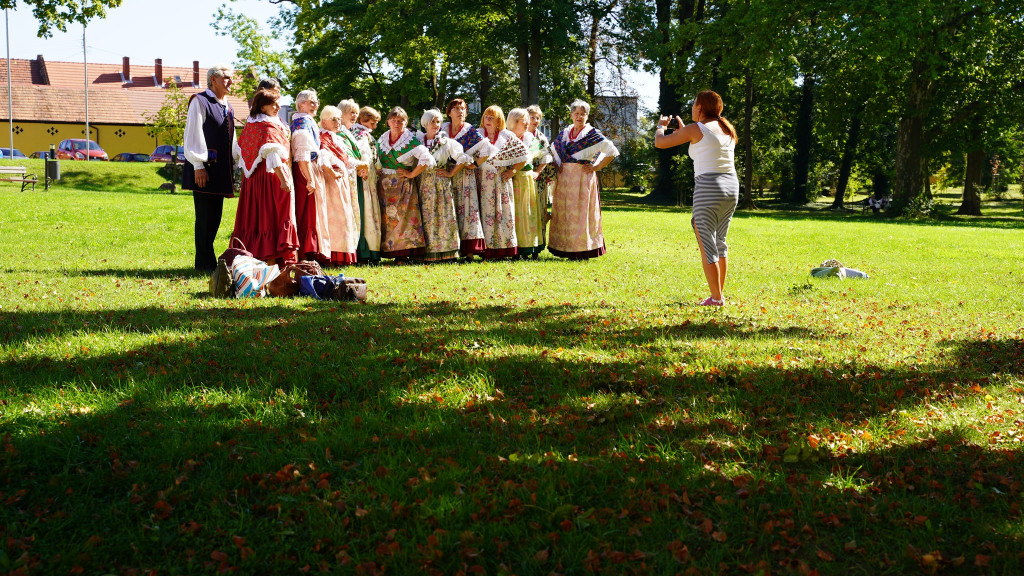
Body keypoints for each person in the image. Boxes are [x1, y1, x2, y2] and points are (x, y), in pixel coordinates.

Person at [654, 89, 739, 306]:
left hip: (709, 187)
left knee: (706, 243)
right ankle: (718, 294)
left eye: (694, 104)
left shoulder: (696, 129)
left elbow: (660, 143)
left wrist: (661, 127)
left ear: (701, 107)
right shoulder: (726, 128)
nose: (692, 107)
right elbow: (704, 146)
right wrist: (685, 130)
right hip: (731, 187)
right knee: (720, 243)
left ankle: (717, 299)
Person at [182, 64, 240, 272]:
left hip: (221, 170)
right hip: (205, 169)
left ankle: (209, 260)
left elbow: (231, 137)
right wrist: (198, 165)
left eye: (231, 77)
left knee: (215, 216)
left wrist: (237, 160)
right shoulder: (200, 101)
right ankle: (204, 263)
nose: (230, 81)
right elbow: (193, 134)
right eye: (226, 77)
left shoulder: (228, 106)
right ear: (213, 79)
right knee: (205, 216)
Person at [232, 88, 298, 265]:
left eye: (277, 103)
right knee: (271, 215)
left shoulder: (252, 124)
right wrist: (283, 179)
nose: (277, 107)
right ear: (262, 107)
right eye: (272, 104)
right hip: (270, 176)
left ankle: (256, 255)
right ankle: (272, 257)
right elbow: (272, 154)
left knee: (256, 216)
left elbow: (240, 154)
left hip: (253, 179)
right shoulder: (267, 126)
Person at [548, 99, 618, 260]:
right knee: (564, 213)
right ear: (571, 115)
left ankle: (582, 250)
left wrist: (597, 167)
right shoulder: (565, 134)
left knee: (580, 213)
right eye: (576, 113)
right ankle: (563, 248)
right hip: (564, 179)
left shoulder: (592, 134)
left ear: (587, 116)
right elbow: (553, 151)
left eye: (583, 114)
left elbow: (611, 151)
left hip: (582, 178)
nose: (579, 117)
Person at [375, 106, 434, 260]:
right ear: (388, 122)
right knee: (387, 219)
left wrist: (412, 173)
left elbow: (426, 158)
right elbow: (378, 159)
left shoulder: (410, 140)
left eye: (400, 121)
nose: (397, 123)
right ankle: (388, 250)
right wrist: (378, 170)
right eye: (394, 120)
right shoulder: (382, 138)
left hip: (402, 184)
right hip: (384, 185)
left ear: (406, 122)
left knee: (402, 218)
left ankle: (402, 254)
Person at [416, 108, 469, 263]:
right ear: (425, 123)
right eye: (432, 122)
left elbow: (463, 158)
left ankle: (446, 252)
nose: (436, 125)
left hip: (440, 183)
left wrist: (451, 173)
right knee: (426, 217)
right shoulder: (418, 141)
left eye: (438, 121)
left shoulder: (446, 142)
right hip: (423, 182)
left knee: (442, 215)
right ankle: (426, 252)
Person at [441, 99, 490, 259]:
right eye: (455, 108)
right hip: (445, 173)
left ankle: (469, 250)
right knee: (449, 209)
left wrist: (475, 164)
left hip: (464, 175)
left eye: (462, 109)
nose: (459, 111)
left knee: (467, 210)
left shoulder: (469, 131)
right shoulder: (443, 130)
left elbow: (487, 149)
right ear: (449, 113)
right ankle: (450, 248)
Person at [477, 105, 527, 259]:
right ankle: (485, 249)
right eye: (486, 116)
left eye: (492, 117)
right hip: (481, 179)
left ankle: (504, 248)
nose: (488, 120)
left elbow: (524, 154)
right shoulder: (477, 134)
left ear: (499, 120)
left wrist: (512, 171)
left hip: (500, 181)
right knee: (484, 213)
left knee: (503, 214)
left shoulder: (506, 136)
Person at [336, 100, 381, 263]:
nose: (354, 116)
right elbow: (364, 154)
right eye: (351, 112)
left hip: (358, 174)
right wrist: (365, 169)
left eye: (356, 112)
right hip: (360, 176)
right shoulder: (360, 134)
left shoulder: (351, 132)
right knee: (363, 211)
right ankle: (365, 249)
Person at [291, 89, 331, 263]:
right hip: (304, 170)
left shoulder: (307, 122)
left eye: (316, 102)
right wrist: (310, 178)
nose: (316, 105)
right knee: (307, 211)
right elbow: (301, 155)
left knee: (311, 210)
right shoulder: (302, 124)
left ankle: (311, 250)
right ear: (301, 105)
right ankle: (306, 251)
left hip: (309, 167)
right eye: (312, 102)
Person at [319, 105, 361, 265]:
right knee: (335, 217)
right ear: (324, 122)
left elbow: (345, 159)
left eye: (338, 119)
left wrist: (360, 165)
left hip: (339, 182)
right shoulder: (324, 137)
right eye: (333, 119)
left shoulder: (334, 137)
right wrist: (333, 173)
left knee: (342, 216)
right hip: (332, 183)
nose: (338, 122)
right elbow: (323, 159)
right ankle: (335, 255)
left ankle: (343, 254)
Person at [507, 108, 545, 259]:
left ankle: (529, 247)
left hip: (526, 179)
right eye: (524, 120)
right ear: (515, 121)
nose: (527, 123)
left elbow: (544, 156)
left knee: (527, 213)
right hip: (510, 180)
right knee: (512, 213)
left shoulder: (529, 138)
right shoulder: (506, 137)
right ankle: (513, 248)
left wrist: (537, 172)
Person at [526, 104, 555, 248]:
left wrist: (537, 172)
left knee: (540, 212)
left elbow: (546, 158)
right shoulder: (519, 134)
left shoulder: (541, 138)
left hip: (539, 180)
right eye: (532, 117)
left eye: (538, 118)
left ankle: (538, 245)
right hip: (522, 178)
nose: (535, 120)